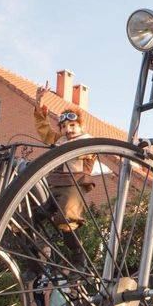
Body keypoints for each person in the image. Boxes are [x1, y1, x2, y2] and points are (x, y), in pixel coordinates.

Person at [33, 86, 97, 260]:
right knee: (34, 215)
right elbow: (43, 129)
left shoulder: (88, 141)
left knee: (67, 217)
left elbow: (89, 153)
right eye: (64, 126)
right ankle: (38, 253)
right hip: (53, 185)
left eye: (72, 125)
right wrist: (39, 101)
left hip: (73, 184)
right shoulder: (60, 139)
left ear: (81, 125)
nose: (68, 130)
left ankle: (78, 258)